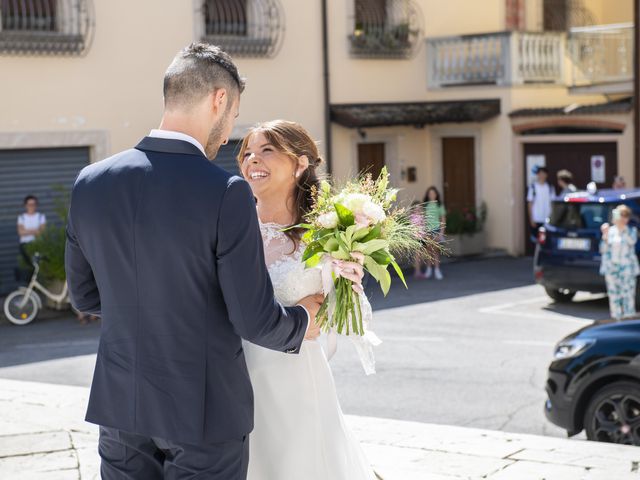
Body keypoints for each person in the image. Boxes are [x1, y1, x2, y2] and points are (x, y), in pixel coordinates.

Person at [65, 43, 324, 479]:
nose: (228, 136)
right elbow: (252, 318)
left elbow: (86, 296)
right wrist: (303, 319)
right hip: (203, 412)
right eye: (233, 115)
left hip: (121, 406)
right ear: (218, 100)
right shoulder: (226, 192)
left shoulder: (90, 182)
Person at [238, 120, 377, 479]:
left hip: (297, 379)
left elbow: (345, 317)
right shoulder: (230, 228)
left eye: (267, 150)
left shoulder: (326, 235)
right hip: (234, 377)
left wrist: (346, 283)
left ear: (300, 164)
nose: (253, 159)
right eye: (247, 152)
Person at [600, 205, 639, 321]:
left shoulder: (631, 231)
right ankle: (616, 318)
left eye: (626, 216)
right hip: (611, 268)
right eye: (621, 215)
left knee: (628, 295)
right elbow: (603, 249)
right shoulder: (610, 231)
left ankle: (628, 318)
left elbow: (632, 241)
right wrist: (605, 235)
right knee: (613, 295)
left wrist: (622, 229)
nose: (623, 218)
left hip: (627, 269)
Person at [422, 186, 446, 280]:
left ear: (436, 194)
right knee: (428, 251)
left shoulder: (439, 205)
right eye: (430, 193)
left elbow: (443, 220)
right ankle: (428, 269)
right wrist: (423, 231)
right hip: (428, 231)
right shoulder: (426, 205)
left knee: (436, 251)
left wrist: (441, 233)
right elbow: (423, 219)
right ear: (428, 195)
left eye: (433, 193)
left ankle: (437, 270)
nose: (432, 195)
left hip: (436, 230)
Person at [16, 194, 46, 267]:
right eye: (29, 204)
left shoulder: (41, 217)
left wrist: (27, 231)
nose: (32, 206)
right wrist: (35, 230)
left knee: (39, 264)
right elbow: (21, 232)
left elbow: (42, 232)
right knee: (29, 265)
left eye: (33, 204)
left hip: (38, 244)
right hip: (25, 245)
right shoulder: (22, 217)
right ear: (26, 205)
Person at [527, 166, 553, 244]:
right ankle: (537, 255)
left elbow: (553, 203)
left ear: (546, 175)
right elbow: (530, 203)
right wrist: (531, 219)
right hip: (537, 218)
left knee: (545, 240)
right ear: (537, 175)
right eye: (540, 173)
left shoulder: (550, 188)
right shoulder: (533, 187)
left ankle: (543, 255)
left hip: (547, 219)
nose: (542, 175)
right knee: (536, 239)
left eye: (544, 174)